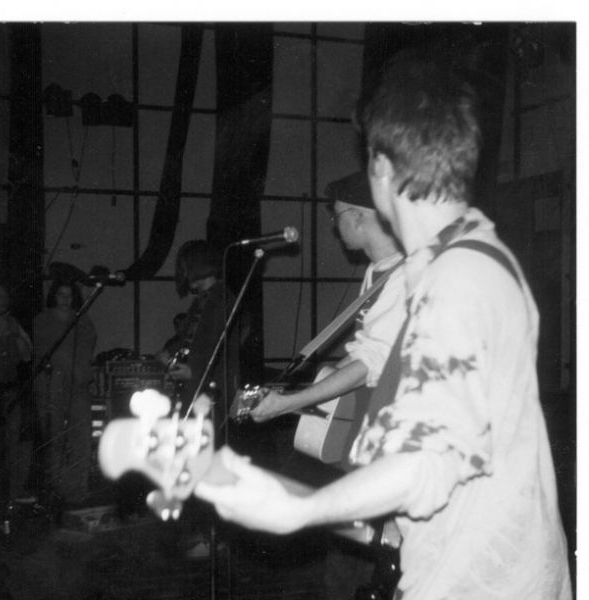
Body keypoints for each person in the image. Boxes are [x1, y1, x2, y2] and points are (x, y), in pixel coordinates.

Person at [192, 54, 572, 599]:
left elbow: (426, 463)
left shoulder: (457, 280)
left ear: (382, 168)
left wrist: (302, 508)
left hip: (479, 582)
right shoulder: (473, 258)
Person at [249, 171, 406, 438]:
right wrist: (297, 393)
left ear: (357, 217)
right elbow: (363, 353)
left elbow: (370, 364)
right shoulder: (377, 271)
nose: (334, 225)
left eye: (336, 216)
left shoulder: (405, 275)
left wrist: (291, 403)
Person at [156, 239, 241, 441]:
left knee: (197, 445)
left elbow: (220, 349)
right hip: (198, 385)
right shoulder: (204, 299)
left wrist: (194, 371)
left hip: (211, 389)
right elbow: (188, 337)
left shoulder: (221, 299)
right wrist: (169, 353)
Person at [33, 277, 97, 508]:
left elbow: (87, 349)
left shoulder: (83, 320)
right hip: (52, 385)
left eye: (69, 295)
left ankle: (78, 488)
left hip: (77, 385)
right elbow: (45, 351)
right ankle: (56, 487)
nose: (65, 299)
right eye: (61, 294)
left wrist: (81, 373)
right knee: (54, 437)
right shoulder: (43, 319)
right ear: (54, 296)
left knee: (81, 436)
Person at [0, 282, 34, 505]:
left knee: (16, 442)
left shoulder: (12, 323)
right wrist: (0, 330)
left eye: (4, 296)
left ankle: (15, 492)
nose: (3, 300)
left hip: (9, 391)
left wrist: (17, 335)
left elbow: (27, 356)